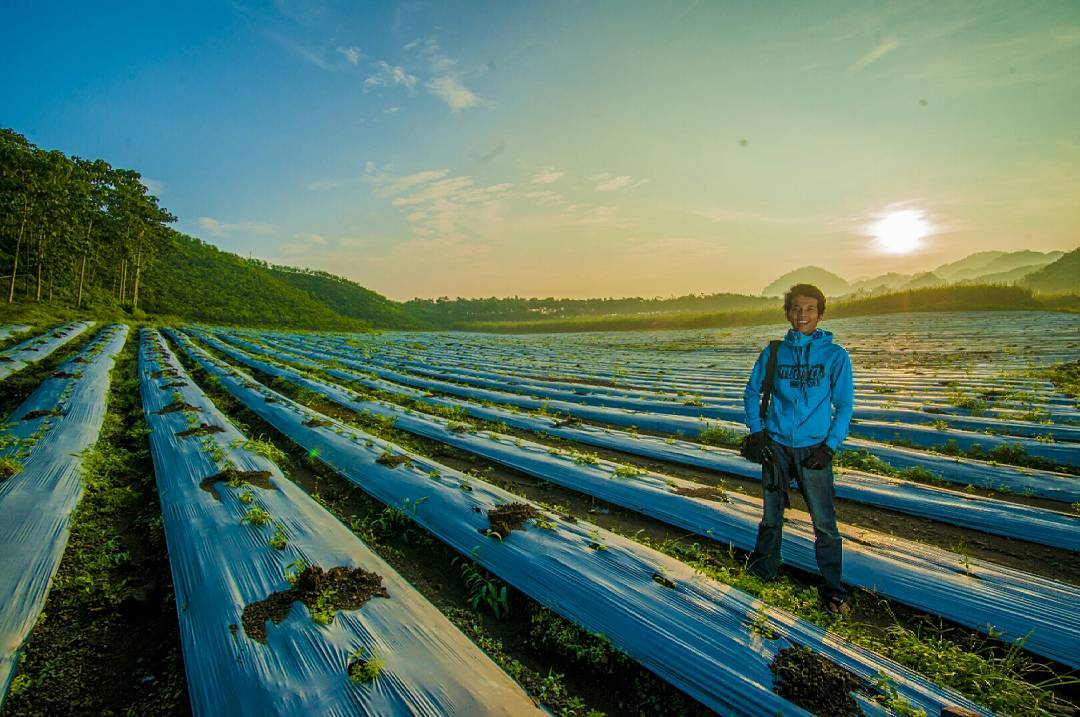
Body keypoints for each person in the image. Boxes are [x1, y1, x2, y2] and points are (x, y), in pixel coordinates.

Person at [741, 283, 854, 614]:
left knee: (824, 523)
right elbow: (752, 392)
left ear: (820, 313)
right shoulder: (775, 353)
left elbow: (844, 406)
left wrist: (830, 446)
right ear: (787, 312)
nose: (802, 315)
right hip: (776, 446)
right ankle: (762, 574)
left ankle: (833, 588)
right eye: (796, 309)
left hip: (813, 449)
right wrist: (758, 432)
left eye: (810, 309)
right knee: (771, 516)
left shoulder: (835, 356)